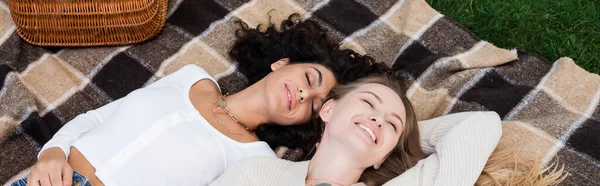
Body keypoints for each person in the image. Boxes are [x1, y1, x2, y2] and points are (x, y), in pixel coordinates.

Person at [13, 14, 384, 186]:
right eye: (309, 79)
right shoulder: (193, 76)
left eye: (315, 105)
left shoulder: (257, 162)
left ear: (300, 123)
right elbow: (95, 118)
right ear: (282, 63)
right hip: (48, 179)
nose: (306, 94)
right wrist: (51, 153)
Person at [209, 74, 504, 186]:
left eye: (391, 123)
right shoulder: (260, 172)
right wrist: (388, 135)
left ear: (382, 157)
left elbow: (480, 125)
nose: (377, 120)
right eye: (368, 104)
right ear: (328, 109)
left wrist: (396, 142)